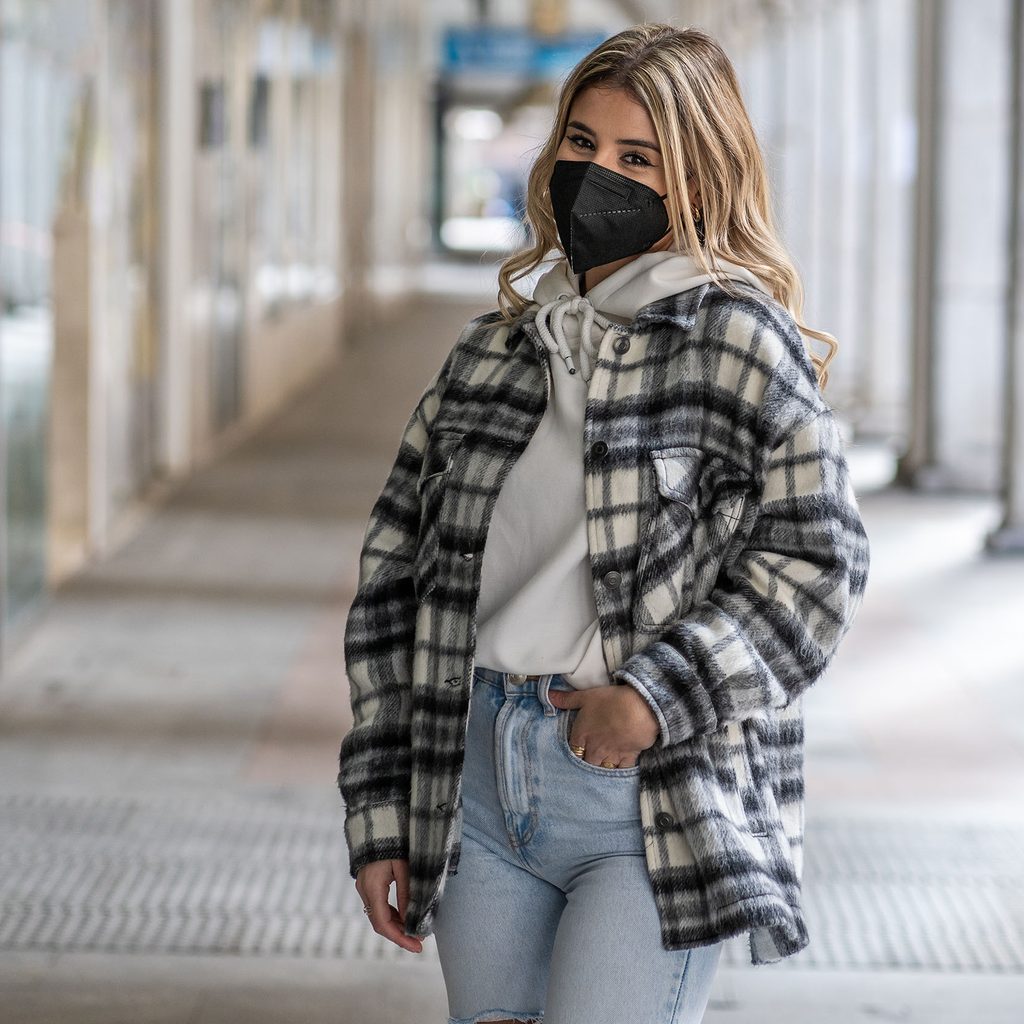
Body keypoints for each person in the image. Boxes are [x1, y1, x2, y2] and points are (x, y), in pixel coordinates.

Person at [337, 22, 870, 1024]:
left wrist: (655, 699)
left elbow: (818, 563)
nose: (598, 177)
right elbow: (390, 585)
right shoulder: (491, 353)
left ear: (698, 180)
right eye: (582, 145)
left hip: (647, 795)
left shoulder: (736, 342)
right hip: (473, 780)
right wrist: (379, 810)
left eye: (637, 158)